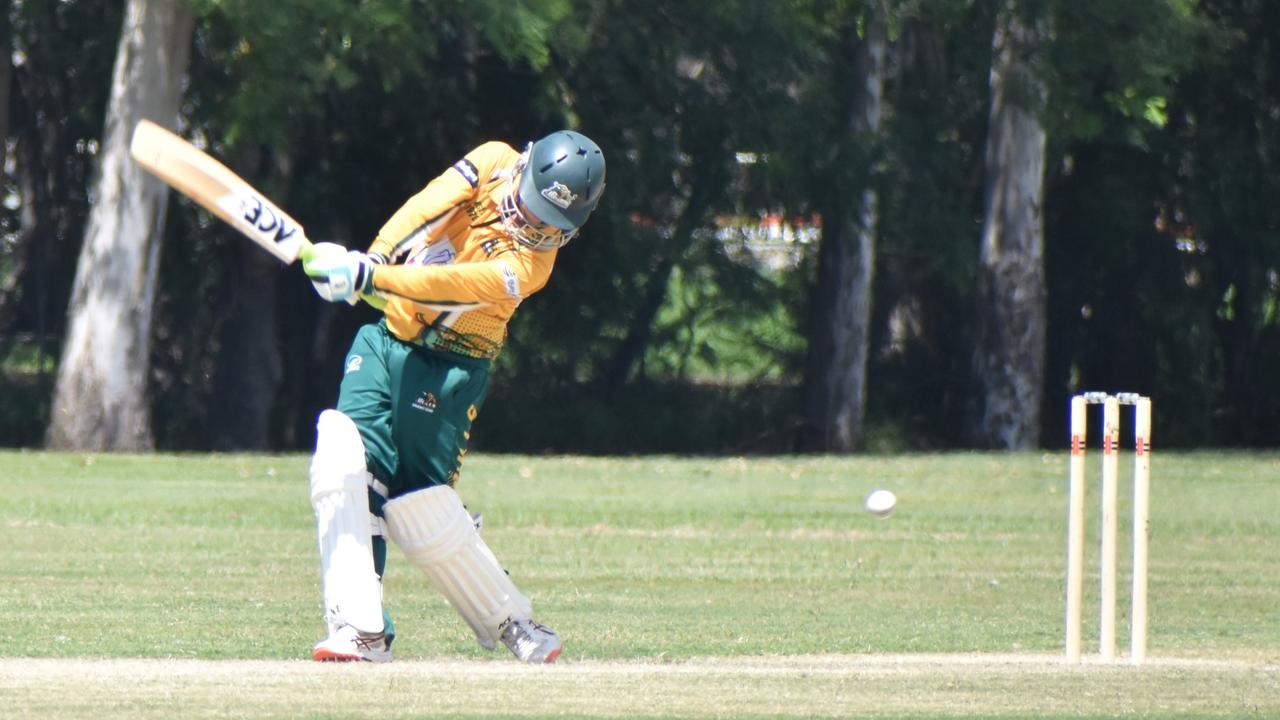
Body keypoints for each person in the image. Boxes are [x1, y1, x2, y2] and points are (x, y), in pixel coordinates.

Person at [300, 130, 605, 664]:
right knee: (343, 465)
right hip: (386, 338)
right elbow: (426, 208)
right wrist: (371, 257)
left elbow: (455, 285)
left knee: (422, 509)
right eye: (533, 208)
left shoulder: (530, 267)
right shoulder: (491, 160)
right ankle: (360, 632)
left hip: (451, 370)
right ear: (526, 164)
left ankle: (514, 621)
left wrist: (375, 277)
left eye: (549, 224)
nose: (532, 226)